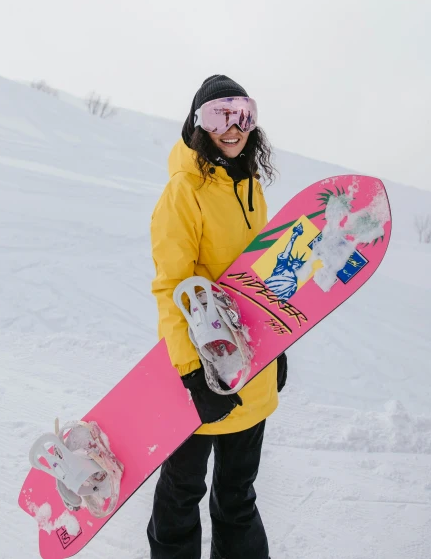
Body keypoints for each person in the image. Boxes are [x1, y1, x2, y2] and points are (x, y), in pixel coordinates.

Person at [147, 75, 287, 559]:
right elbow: (171, 289)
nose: (232, 128)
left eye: (242, 115)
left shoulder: (250, 188)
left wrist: (277, 346)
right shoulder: (183, 193)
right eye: (218, 116)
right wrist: (190, 373)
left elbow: (260, 283)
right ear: (197, 124)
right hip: (202, 378)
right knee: (182, 495)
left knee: (237, 497)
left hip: (252, 375)